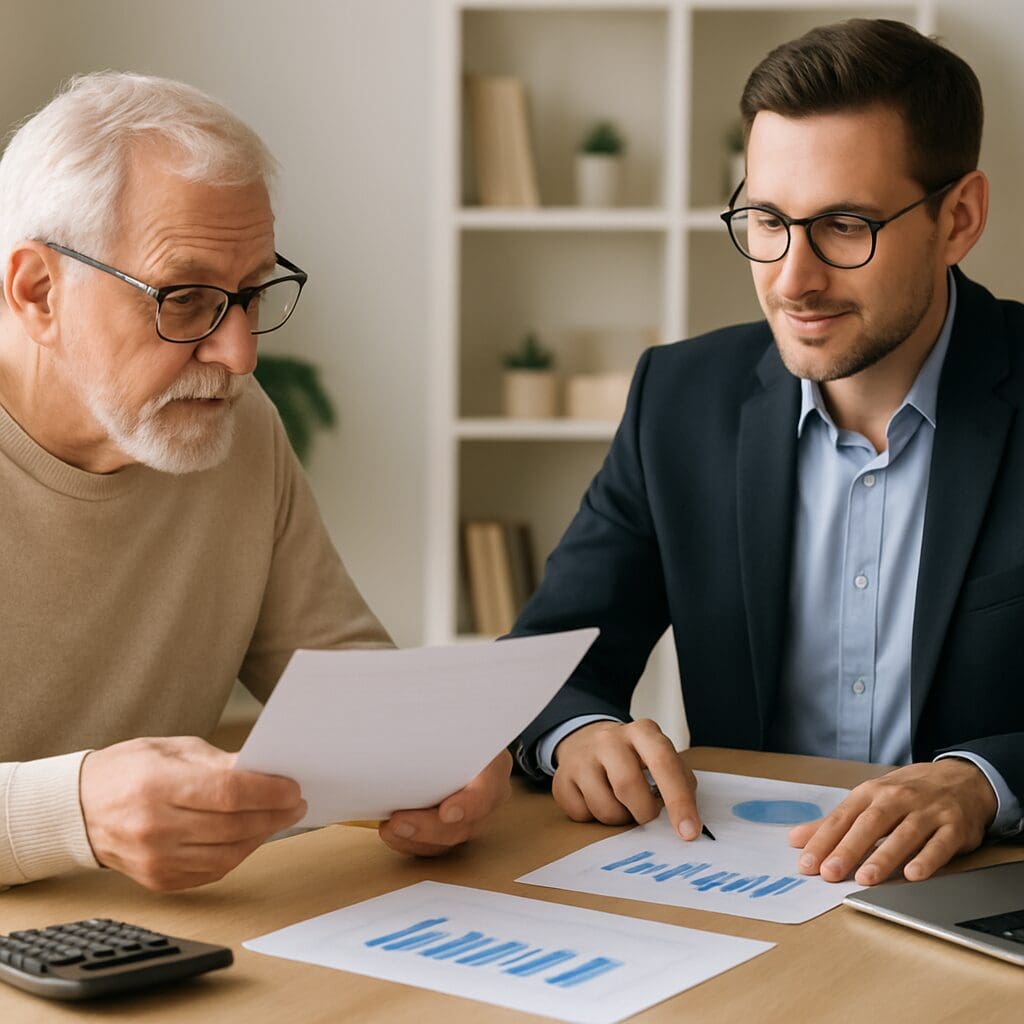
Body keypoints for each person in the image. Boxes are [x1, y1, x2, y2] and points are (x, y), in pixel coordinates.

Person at [511, 18, 1023, 887]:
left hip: (982, 898)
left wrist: (983, 782)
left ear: (959, 218)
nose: (792, 277)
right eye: (766, 219)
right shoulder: (678, 399)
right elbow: (544, 663)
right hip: (744, 890)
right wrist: (581, 734)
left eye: (846, 226)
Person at [0, 72, 510, 892]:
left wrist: (432, 754)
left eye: (249, 295)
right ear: (38, 292)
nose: (239, 356)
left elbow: (336, 674)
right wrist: (76, 810)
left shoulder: (235, 429)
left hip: (156, 949)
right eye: (187, 297)